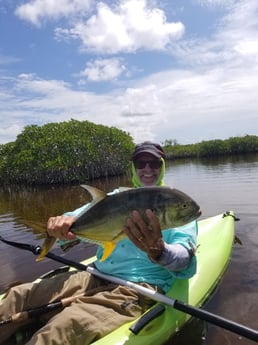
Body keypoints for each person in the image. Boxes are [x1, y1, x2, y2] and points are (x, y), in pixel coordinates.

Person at [0, 141, 198, 345]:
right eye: (141, 163)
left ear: (163, 166)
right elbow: (75, 218)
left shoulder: (173, 202)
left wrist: (161, 252)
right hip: (95, 275)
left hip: (140, 288)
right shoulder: (115, 198)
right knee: (18, 295)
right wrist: (61, 224)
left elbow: (185, 259)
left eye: (154, 163)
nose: (147, 169)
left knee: (62, 327)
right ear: (133, 167)